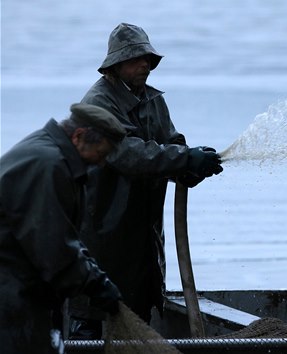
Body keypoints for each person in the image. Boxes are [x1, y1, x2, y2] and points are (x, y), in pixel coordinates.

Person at [68, 23, 223, 338]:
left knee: (137, 321)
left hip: (143, 241)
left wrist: (192, 164)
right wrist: (182, 158)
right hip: (103, 238)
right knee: (94, 322)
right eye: (137, 59)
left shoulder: (153, 100)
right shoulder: (97, 103)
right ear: (116, 64)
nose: (145, 66)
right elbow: (126, 154)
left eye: (149, 59)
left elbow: (170, 143)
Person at [0, 104, 126, 354]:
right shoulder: (49, 165)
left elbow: (63, 233)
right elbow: (52, 248)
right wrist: (94, 285)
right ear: (78, 136)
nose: (102, 164)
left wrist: (94, 274)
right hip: (10, 294)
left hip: (20, 286)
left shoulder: (50, 151)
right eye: (101, 153)